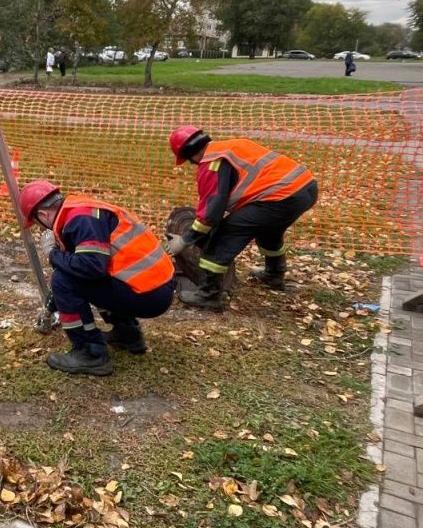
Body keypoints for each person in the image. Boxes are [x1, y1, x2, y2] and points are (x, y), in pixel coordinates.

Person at [19, 180, 175, 376]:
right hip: (154, 286)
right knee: (78, 275)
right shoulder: (81, 211)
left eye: (38, 224)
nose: (42, 229)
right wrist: (50, 307)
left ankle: (90, 353)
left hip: (149, 295)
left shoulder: (79, 220)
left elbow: (90, 269)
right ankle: (128, 334)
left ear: (43, 215)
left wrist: (52, 253)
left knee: (62, 279)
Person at [166, 126, 319, 310]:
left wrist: (185, 240)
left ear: (190, 155)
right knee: (269, 233)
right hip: (305, 188)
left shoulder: (212, 164)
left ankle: (209, 295)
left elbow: (210, 215)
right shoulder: (232, 146)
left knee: (221, 239)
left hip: (279, 197)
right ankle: (274, 275)